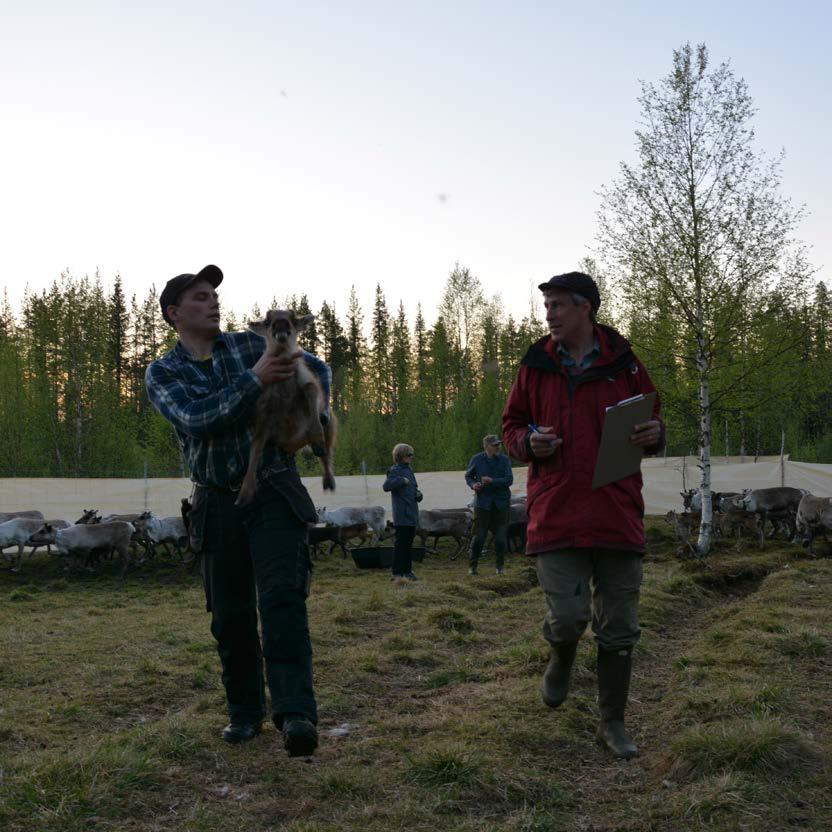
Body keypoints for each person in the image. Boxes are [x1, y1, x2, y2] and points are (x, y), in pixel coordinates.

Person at [145, 264, 331, 757]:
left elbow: (319, 370)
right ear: (174, 314)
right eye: (200, 296)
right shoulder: (164, 372)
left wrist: (310, 417)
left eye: (214, 295)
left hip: (273, 487)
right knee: (229, 615)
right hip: (215, 501)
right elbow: (197, 419)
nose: (213, 301)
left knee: (282, 601)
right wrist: (254, 383)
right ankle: (245, 715)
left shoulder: (251, 344)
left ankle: (296, 715)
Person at [502, 271, 664, 759]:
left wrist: (654, 435)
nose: (548, 314)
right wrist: (528, 443)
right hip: (557, 512)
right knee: (569, 617)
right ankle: (561, 657)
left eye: (557, 305)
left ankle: (611, 723)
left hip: (616, 510)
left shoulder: (625, 364)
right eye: (546, 305)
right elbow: (511, 426)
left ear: (585, 308)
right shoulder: (535, 366)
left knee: (619, 630)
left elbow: (654, 422)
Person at [464, 434, 514, 575]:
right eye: (495, 445)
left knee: (500, 538)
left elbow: (509, 480)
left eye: (499, 444)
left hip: (501, 503)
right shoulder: (477, 459)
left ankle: (500, 568)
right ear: (486, 447)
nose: (498, 447)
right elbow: (468, 476)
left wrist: (492, 481)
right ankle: (472, 567)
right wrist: (474, 485)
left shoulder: (504, 460)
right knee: (479, 537)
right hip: (483, 503)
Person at [382, 443, 423, 582]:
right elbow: (386, 486)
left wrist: (418, 494)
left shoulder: (409, 470)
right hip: (402, 514)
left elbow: (413, 487)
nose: (412, 457)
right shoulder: (395, 470)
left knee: (407, 544)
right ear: (401, 456)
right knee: (401, 545)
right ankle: (397, 573)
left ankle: (407, 571)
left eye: (412, 454)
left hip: (411, 513)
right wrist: (401, 480)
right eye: (409, 454)